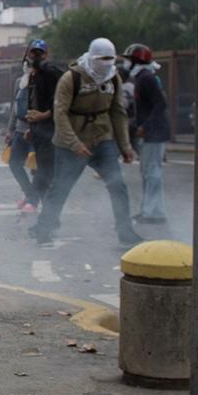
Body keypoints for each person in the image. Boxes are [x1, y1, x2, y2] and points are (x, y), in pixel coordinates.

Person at [32, 37, 141, 247]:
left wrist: (125, 146)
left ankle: (125, 232)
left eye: (111, 59)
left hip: (102, 138)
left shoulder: (113, 78)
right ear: (92, 57)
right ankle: (44, 227)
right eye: (102, 59)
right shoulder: (71, 78)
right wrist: (74, 144)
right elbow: (60, 115)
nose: (106, 65)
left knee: (117, 185)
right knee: (61, 187)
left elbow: (118, 113)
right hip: (70, 142)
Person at [124, 43, 169, 224]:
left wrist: (145, 126)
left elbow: (160, 104)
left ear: (136, 61)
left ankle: (153, 212)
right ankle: (149, 210)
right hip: (151, 132)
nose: (126, 64)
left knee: (152, 172)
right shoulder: (142, 78)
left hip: (154, 133)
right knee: (148, 171)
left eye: (129, 60)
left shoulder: (146, 78)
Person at [24, 39, 60, 213]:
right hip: (39, 131)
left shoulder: (51, 73)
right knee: (41, 170)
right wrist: (31, 128)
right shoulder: (34, 75)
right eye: (33, 53)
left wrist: (43, 115)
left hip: (51, 131)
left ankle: (36, 202)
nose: (36, 56)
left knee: (46, 172)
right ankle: (44, 209)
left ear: (47, 54)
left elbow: (59, 103)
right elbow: (33, 104)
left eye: (40, 53)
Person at [5, 55, 36, 212]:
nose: (28, 66)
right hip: (19, 130)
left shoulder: (42, 81)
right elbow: (14, 107)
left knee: (36, 167)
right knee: (14, 163)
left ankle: (33, 201)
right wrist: (10, 130)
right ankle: (29, 193)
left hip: (37, 132)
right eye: (26, 63)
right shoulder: (20, 82)